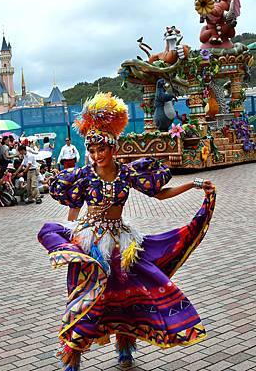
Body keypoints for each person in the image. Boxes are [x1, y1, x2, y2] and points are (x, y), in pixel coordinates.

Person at [37, 92, 216, 370]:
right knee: (87, 299)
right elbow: (73, 209)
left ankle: (125, 347)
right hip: (92, 243)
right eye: (92, 150)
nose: (96, 156)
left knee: (124, 296)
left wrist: (193, 185)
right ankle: (72, 357)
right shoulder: (84, 176)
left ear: (113, 149)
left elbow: (160, 194)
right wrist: (70, 237)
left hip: (122, 243)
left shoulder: (127, 174)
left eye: (101, 150)